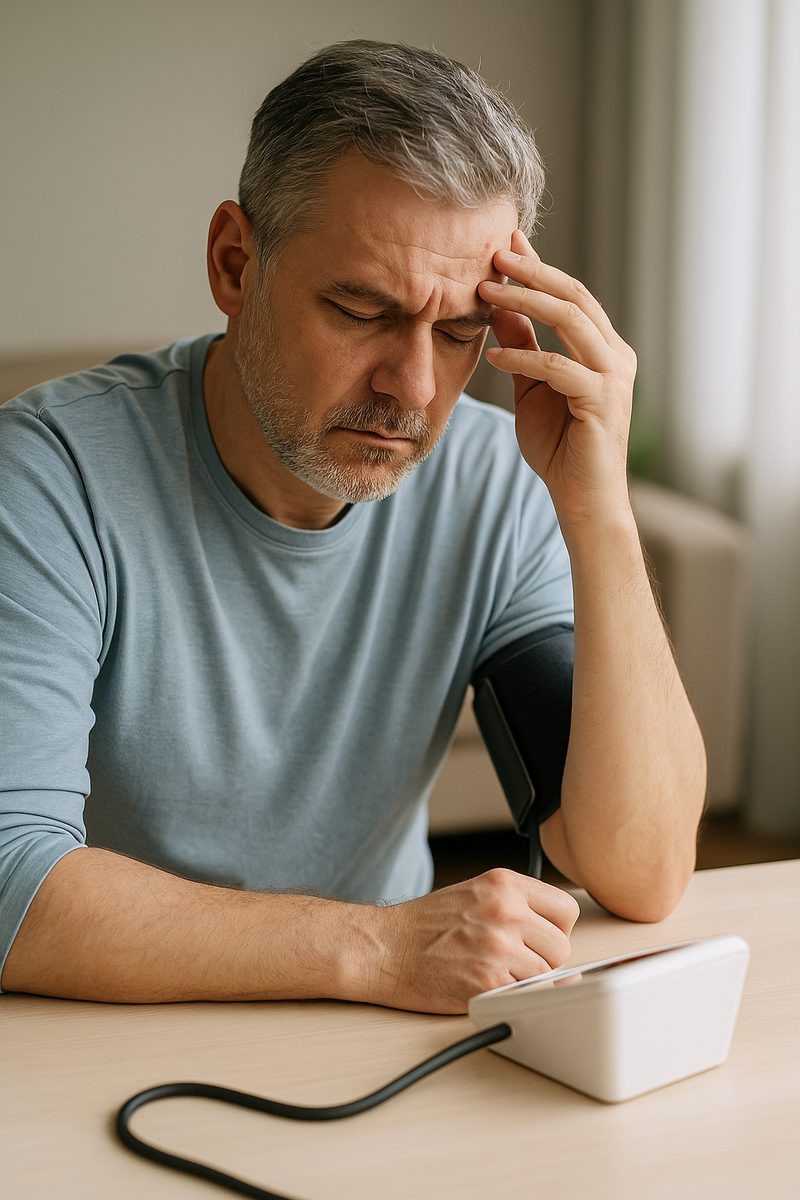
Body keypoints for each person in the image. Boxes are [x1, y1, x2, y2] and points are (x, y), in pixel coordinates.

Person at [0, 40, 705, 1013]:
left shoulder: (496, 487)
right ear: (235, 263)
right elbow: (12, 878)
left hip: (374, 1028)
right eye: (360, 309)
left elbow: (642, 872)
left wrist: (601, 515)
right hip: (104, 1021)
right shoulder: (50, 477)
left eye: (458, 332)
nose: (411, 388)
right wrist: (376, 947)